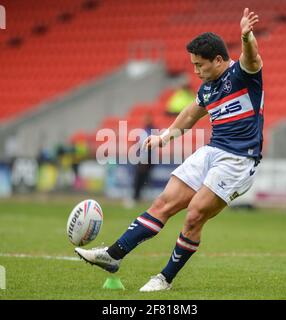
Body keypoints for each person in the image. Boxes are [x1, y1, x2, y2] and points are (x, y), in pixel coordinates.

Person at [75, 8, 263, 292]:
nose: (195, 70)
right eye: (193, 65)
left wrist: (247, 36)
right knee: (164, 203)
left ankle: (164, 279)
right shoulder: (208, 89)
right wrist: (163, 138)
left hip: (238, 160)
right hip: (212, 151)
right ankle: (112, 255)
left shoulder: (244, 75)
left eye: (200, 64)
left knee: (194, 214)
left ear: (220, 60)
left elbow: (253, 57)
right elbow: (189, 115)